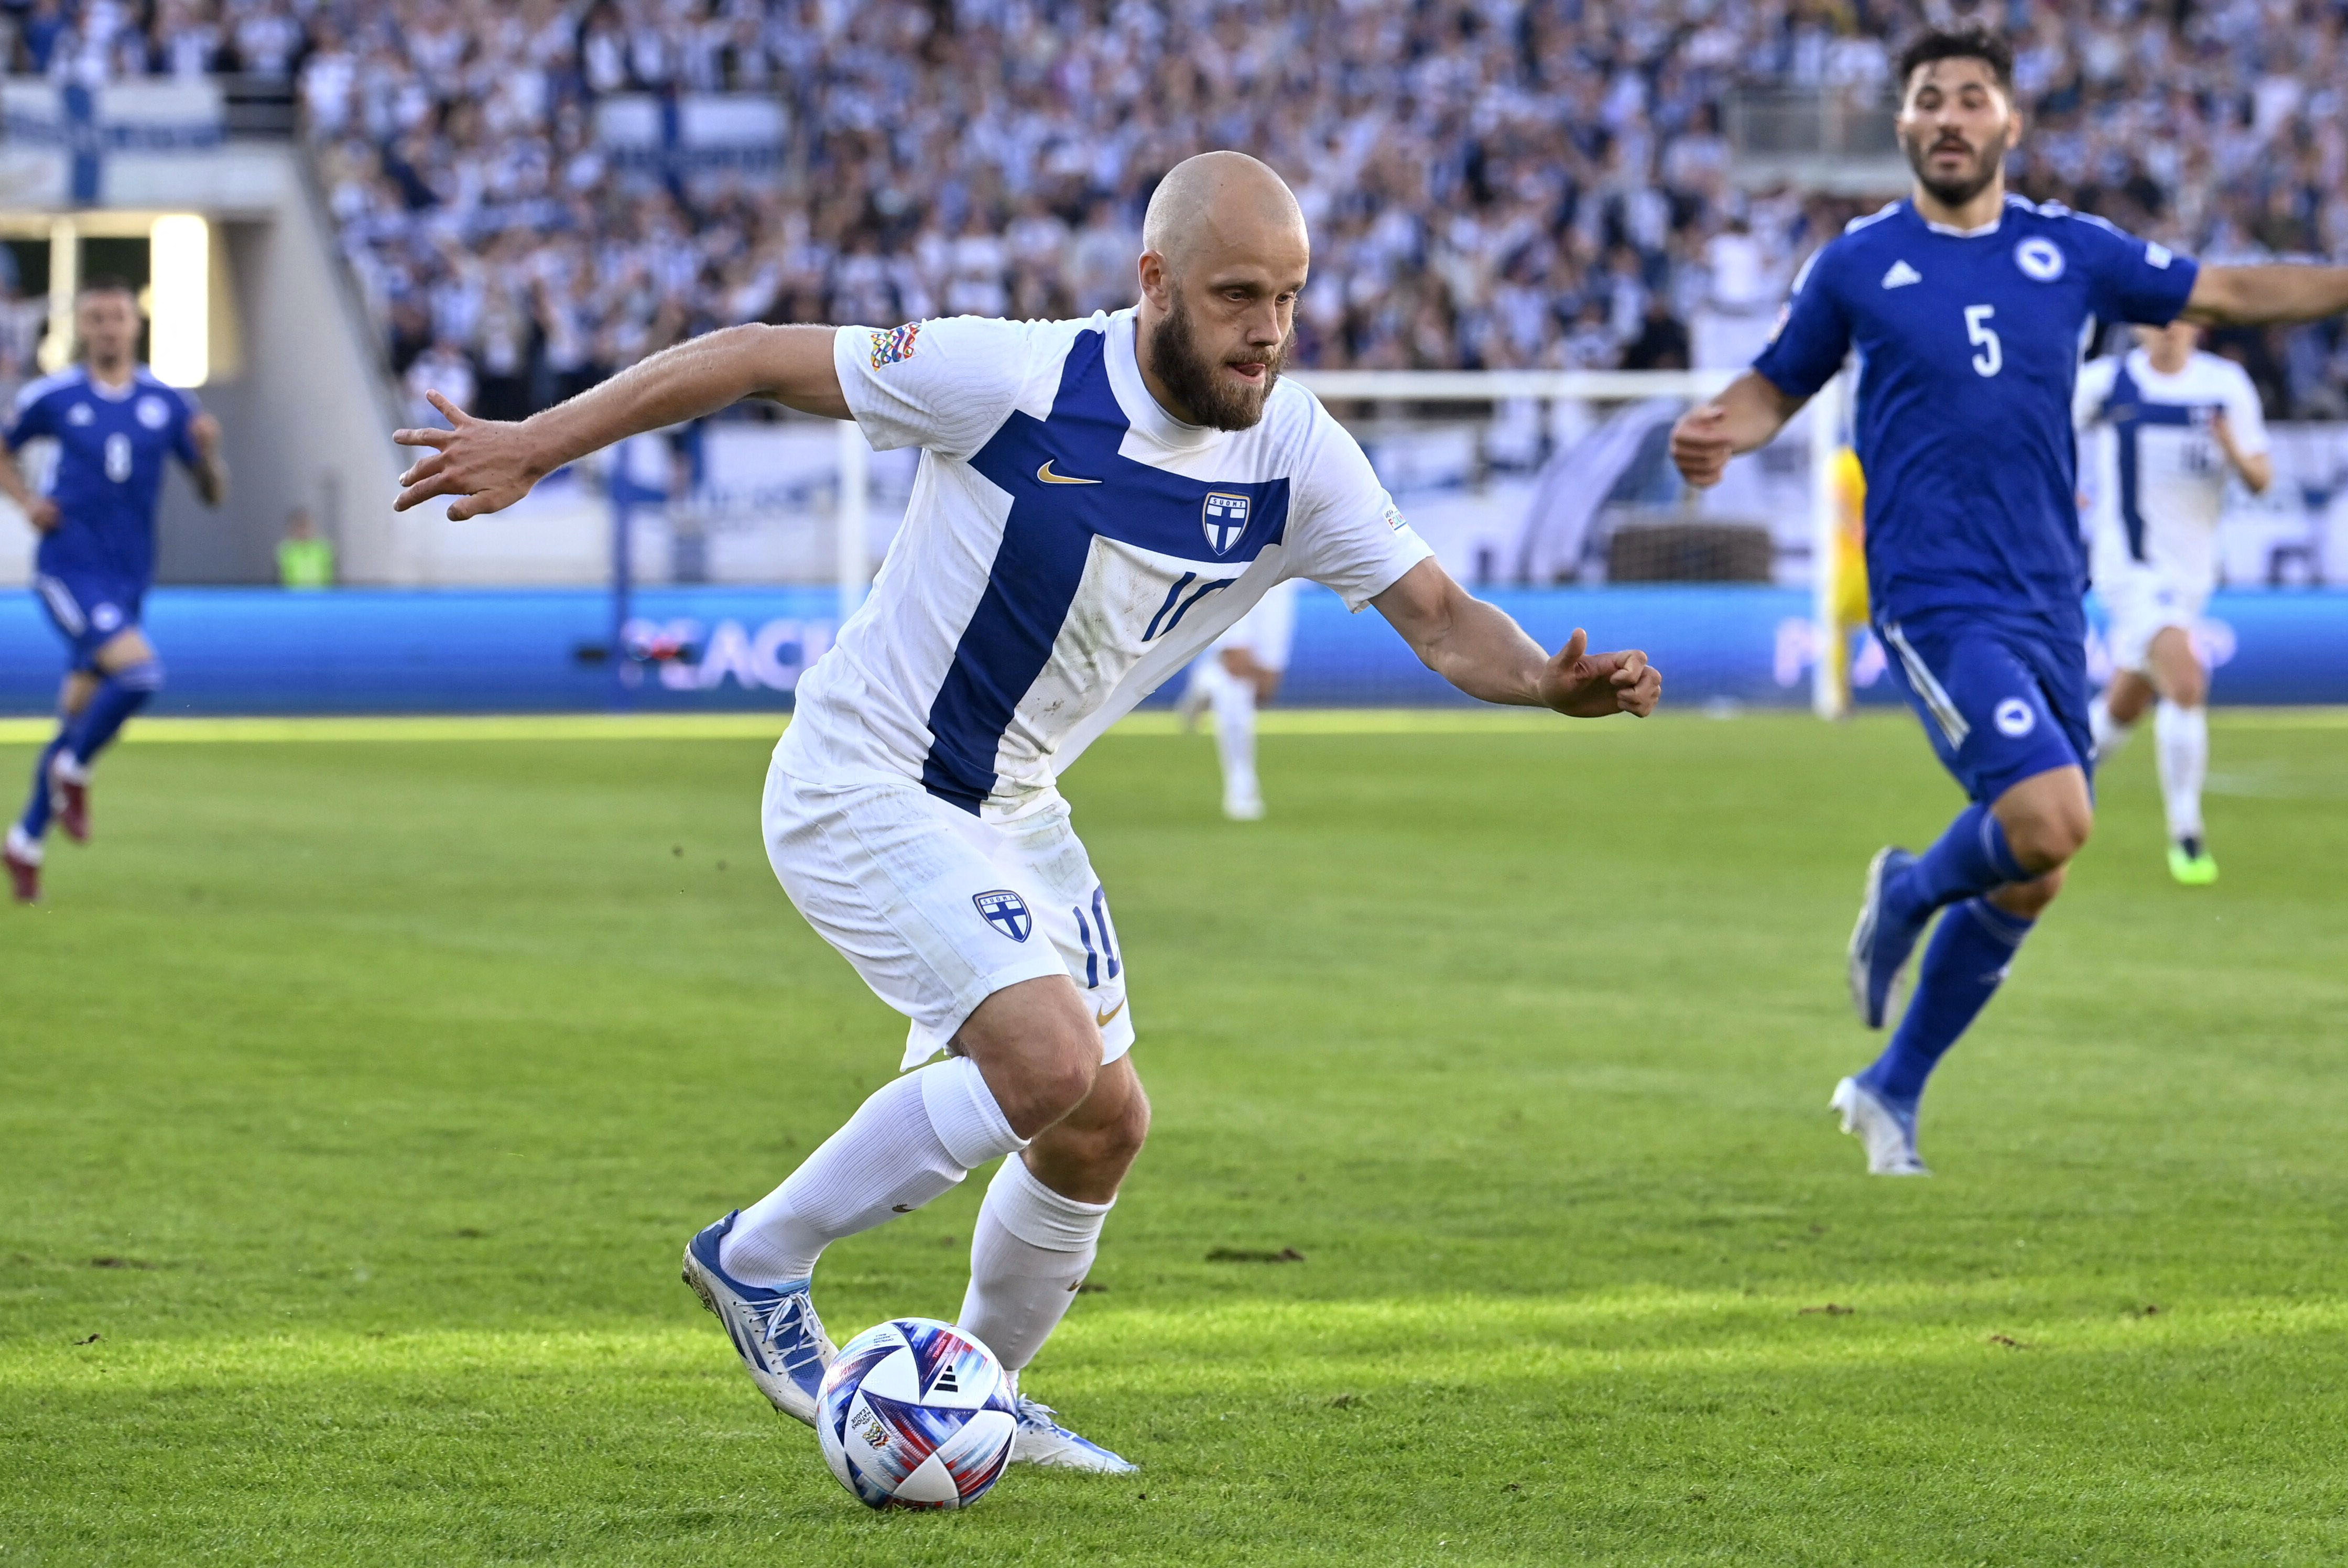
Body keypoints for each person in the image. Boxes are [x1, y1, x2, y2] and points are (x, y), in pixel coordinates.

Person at [393, 151, 1662, 1470]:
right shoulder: (1014, 378)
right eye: (1237, 295)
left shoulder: (1294, 453)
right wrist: (536, 443)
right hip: (864, 778)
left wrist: (1545, 685)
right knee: (1049, 1061)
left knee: (1104, 1122)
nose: (1269, 331)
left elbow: (1445, 619)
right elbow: (760, 355)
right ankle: (757, 1257)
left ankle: (980, 1390)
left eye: (1289, 296)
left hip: (1015, 807)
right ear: (1156, 281)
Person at [1670, 29, 2348, 1176]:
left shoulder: (2069, 251)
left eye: (1969, 98)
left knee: (2036, 866)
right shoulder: (1856, 261)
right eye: (1926, 98)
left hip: (2048, 594)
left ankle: (1890, 1089)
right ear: (1900, 127)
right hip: (1936, 594)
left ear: (2007, 125)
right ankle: (1909, 886)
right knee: (2049, 818)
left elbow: (2228, 287)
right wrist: (1715, 432)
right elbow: (1776, 381)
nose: (1947, 116)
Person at [1, 278, 227, 904]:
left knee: (76, 714)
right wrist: (26, 502)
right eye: (96, 318)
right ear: (82, 327)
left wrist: (209, 455)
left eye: (118, 317)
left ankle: (24, 841)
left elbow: (212, 494)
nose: (108, 328)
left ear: (135, 325)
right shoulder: (55, 396)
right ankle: (75, 771)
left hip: (129, 575)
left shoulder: (168, 402)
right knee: (139, 676)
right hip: (69, 566)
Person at [2077, 322, 2270, 885]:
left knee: (2123, 705)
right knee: (2185, 680)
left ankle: (2040, 781)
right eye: (2155, 319)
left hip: (2192, 575)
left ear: (2198, 324)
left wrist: (2232, 448)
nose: (2167, 332)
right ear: (2137, 325)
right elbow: (2034, 430)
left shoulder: (2223, 385)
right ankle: (2186, 835)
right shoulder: (2108, 383)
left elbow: (2261, 476)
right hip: (2130, 567)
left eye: (2178, 319)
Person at [1176, 576, 1298, 820]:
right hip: (1237, 568)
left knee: (1265, 687)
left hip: (1281, 576)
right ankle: (1241, 787)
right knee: (1236, 671)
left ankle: (1207, 679)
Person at [277, 506, 336, 589]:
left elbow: (331, 577)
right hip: (292, 598)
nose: (303, 531)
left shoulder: (324, 549)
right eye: (299, 526)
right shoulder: (285, 550)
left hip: (321, 597)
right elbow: (281, 579)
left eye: (305, 526)